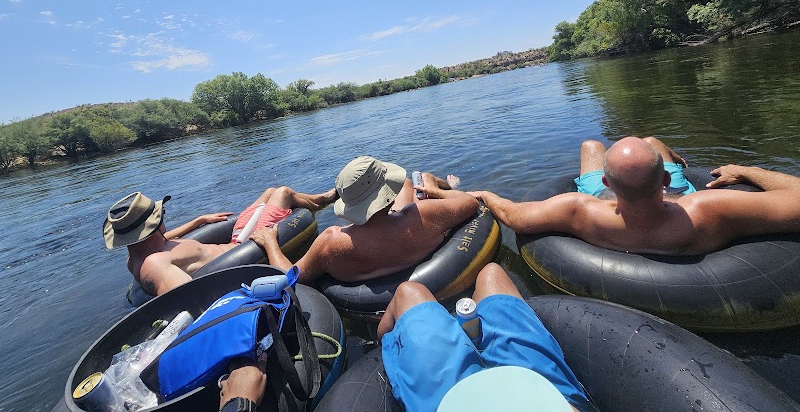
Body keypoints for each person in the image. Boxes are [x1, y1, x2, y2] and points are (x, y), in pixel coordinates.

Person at [468, 136, 800, 256]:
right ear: (666, 179)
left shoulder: (580, 211)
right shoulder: (708, 210)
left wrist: (483, 193)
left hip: (607, 209)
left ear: (607, 184)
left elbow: (514, 217)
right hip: (675, 200)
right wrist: (745, 171)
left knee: (591, 146)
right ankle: (660, 149)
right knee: (652, 141)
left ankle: (646, 150)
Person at [377, 263, 591, 412]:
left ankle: (386, 341)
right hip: (543, 394)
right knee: (491, 274)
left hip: (450, 401)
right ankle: (475, 341)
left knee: (408, 292)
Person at [251, 155, 478, 284]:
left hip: (369, 243)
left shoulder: (330, 244)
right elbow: (470, 203)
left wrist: (271, 243)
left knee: (408, 185)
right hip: (409, 235)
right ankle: (435, 184)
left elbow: (292, 279)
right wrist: (436, 194)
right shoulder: (423, 215)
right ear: (387, 196)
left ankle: (426, 184)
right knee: (412, 182)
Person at [103, 185, 338, 296]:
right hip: (248, 245)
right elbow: (191, 300)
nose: (165, 218)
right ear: (152, 226)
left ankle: (317, 199)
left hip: (240, 237)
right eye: (160, 215)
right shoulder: (156, 265)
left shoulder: (141, 253)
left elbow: (165, 239)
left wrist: (198, 221)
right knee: (283, 193)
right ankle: (322, 201)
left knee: (268, 192)